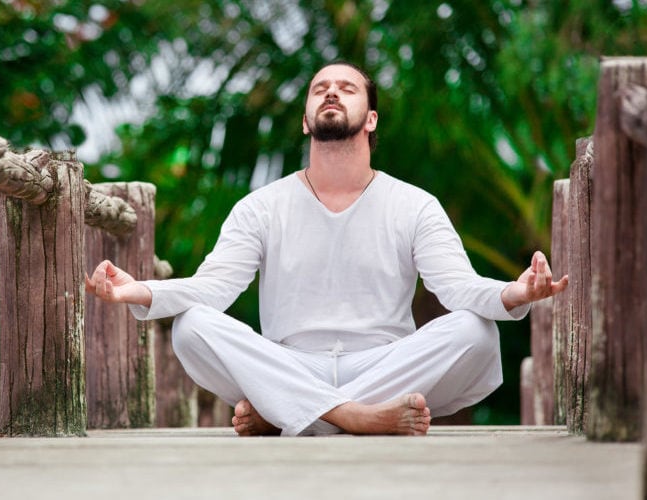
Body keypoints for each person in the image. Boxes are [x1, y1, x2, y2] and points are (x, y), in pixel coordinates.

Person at [85, 61, 568, 437]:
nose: (331, 92)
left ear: (371, 118)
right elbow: (213, 289)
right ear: (305, 121)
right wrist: (139, 291)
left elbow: (458, 288)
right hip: (288, 361)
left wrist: (514, 293)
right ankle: (355, 417)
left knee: (476, 332)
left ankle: (290, 416)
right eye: (320, 89)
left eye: (346, 87)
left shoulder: (415, 205)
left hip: (386, 364)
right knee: (192, 326)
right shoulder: (261, 206)